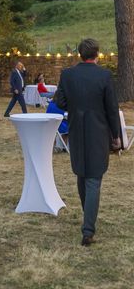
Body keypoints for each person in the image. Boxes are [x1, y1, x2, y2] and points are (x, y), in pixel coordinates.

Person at [54, 38, 121, 246]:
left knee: (82, 174)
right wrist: (116, 135)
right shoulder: (104, 75)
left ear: (80, 54)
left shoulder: (67, 75)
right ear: (97, 55)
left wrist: (75, 109)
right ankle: (88, 229)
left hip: (76, 131)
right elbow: (111, 108)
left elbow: (60, 102)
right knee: (93, 178)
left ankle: (88, 218)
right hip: (98, 133)